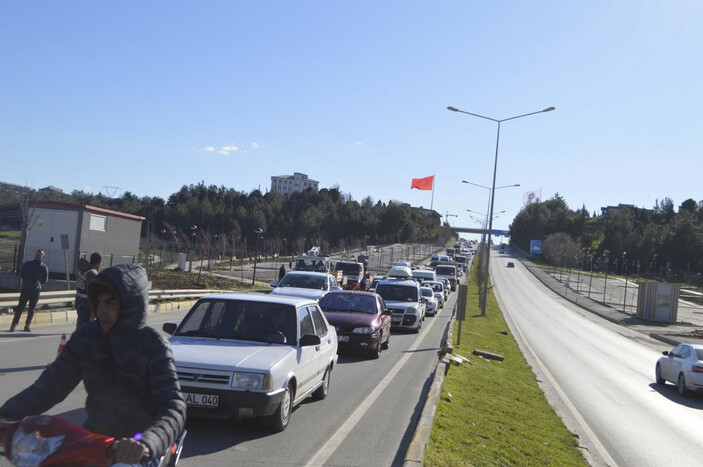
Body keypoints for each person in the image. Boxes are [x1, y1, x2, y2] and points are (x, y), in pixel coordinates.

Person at [0, 264, 186, 465]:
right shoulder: (86, 337)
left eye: (110, 303)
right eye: (98, 302)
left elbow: (173, 407)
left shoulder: (153, 345)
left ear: (129, 305)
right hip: (94, 441)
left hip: (139, 445)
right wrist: (5, 416)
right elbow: (49, 386)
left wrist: (147, 442)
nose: (100, 310)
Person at [10, 249, 49, 332]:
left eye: (40, 255)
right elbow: (21, 275)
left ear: (43, 257)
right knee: (20, 308)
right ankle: (13, 325)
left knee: (32, 309)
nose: (38, 256)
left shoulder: (44, 267)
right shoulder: (28, 264)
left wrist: (37, 283)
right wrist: (21, 285)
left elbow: (45, 280)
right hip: (25, 290)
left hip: (35, 291)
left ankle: (27, 325)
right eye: (37, 254)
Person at [75, 252, 103, 329]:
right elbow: (92, 293)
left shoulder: (84, 270)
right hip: (86, 306)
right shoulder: (92, 273)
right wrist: (93, 310)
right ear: (99, 262)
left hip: (80, 302)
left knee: (81, 329)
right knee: (84, 331)